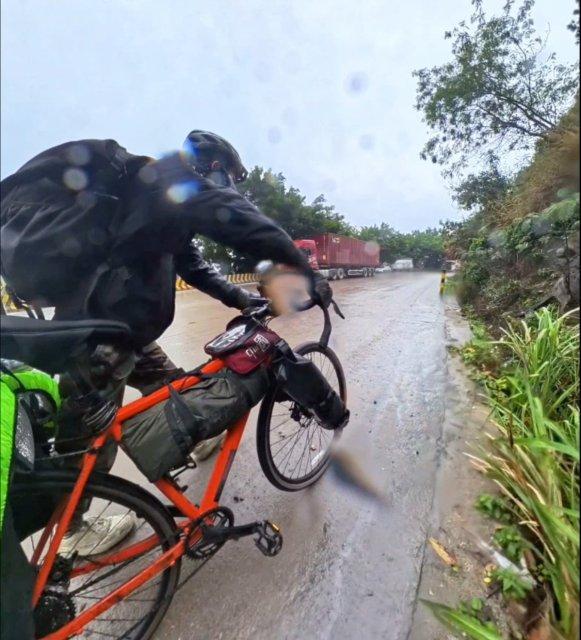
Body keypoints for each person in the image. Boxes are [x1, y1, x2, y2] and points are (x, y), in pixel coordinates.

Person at [1, 131, 333, 558]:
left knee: (172, 383)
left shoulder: (154, 199)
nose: (228, 186)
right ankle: (71, 529)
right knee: (87, 436)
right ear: (214, 166)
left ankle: (188, 440)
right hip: (99, 336)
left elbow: (191, 265)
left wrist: (240, 298)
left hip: (124, 330)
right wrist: (307, 273)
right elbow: (241, 220)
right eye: (229, 177)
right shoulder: (169, 179)